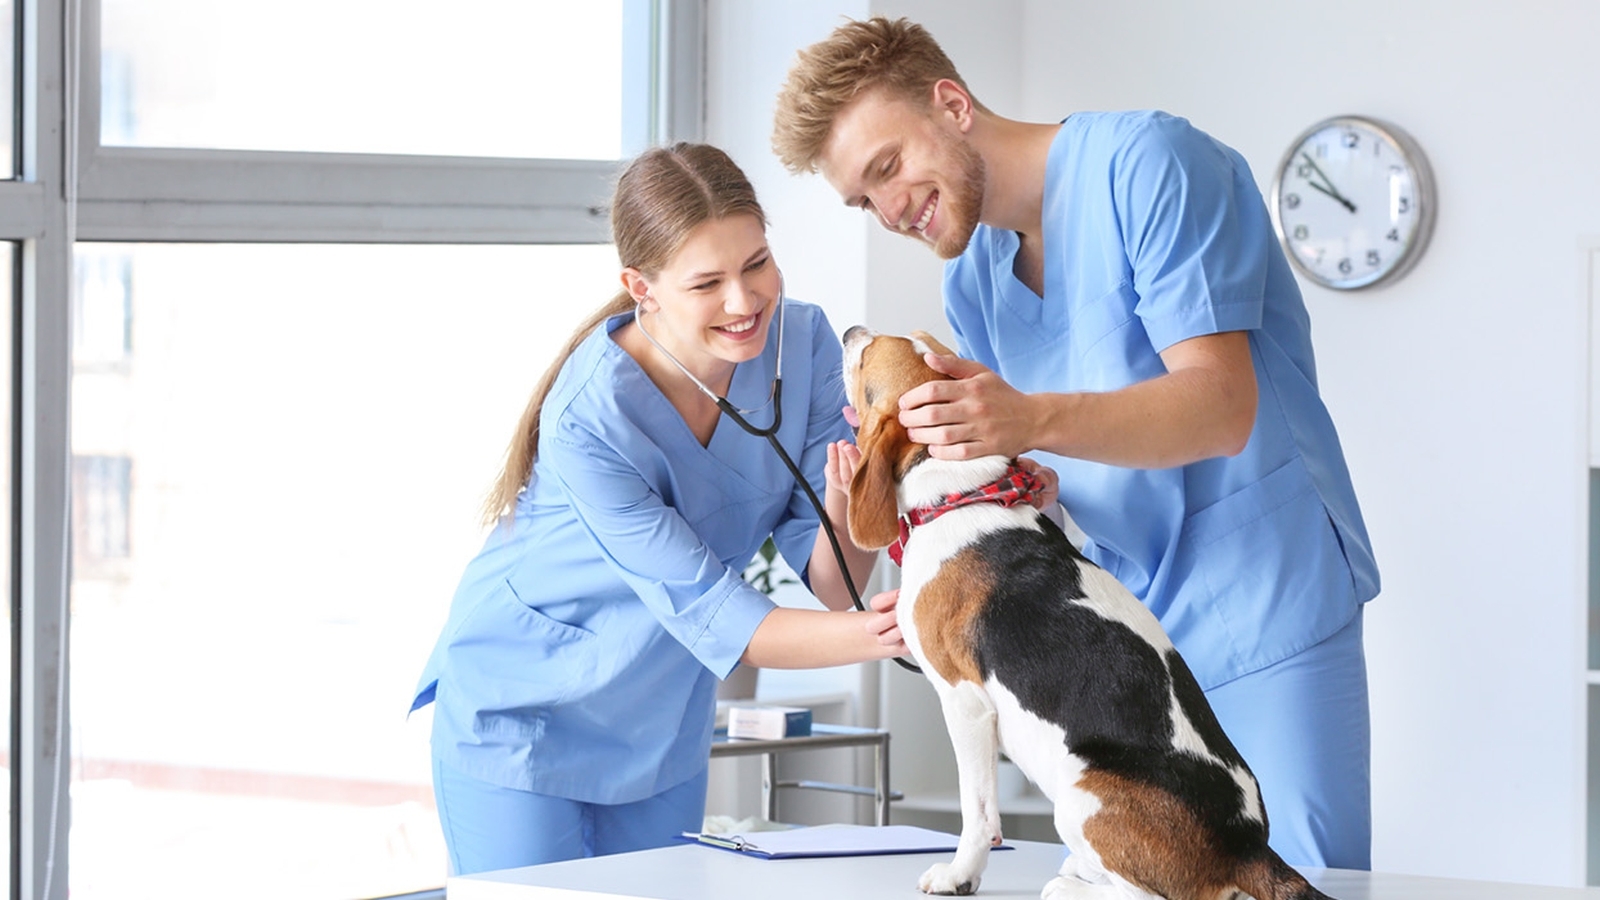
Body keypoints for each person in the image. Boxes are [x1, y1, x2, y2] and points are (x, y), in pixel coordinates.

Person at [772, 17, 1379, 870]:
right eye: (863, 200)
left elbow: (1220, 406)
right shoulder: (974, 278)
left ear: (951, 104)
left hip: (1262, 600)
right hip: (1121, 633)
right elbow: (1048, 459)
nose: (890, 209)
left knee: (1297, 882)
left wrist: (1026, 421)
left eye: (888, 168)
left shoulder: (1152, 165)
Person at [410, 142, 908, 875]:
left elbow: (836, 582)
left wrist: (843, 497)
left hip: (661, 720)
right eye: (706, 283)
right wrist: (903, 629)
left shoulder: (799, 343)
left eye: (756, 264)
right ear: (640, 287)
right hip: (523, 712)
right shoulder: (591, 416)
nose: (744, 302)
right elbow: (717, 613)